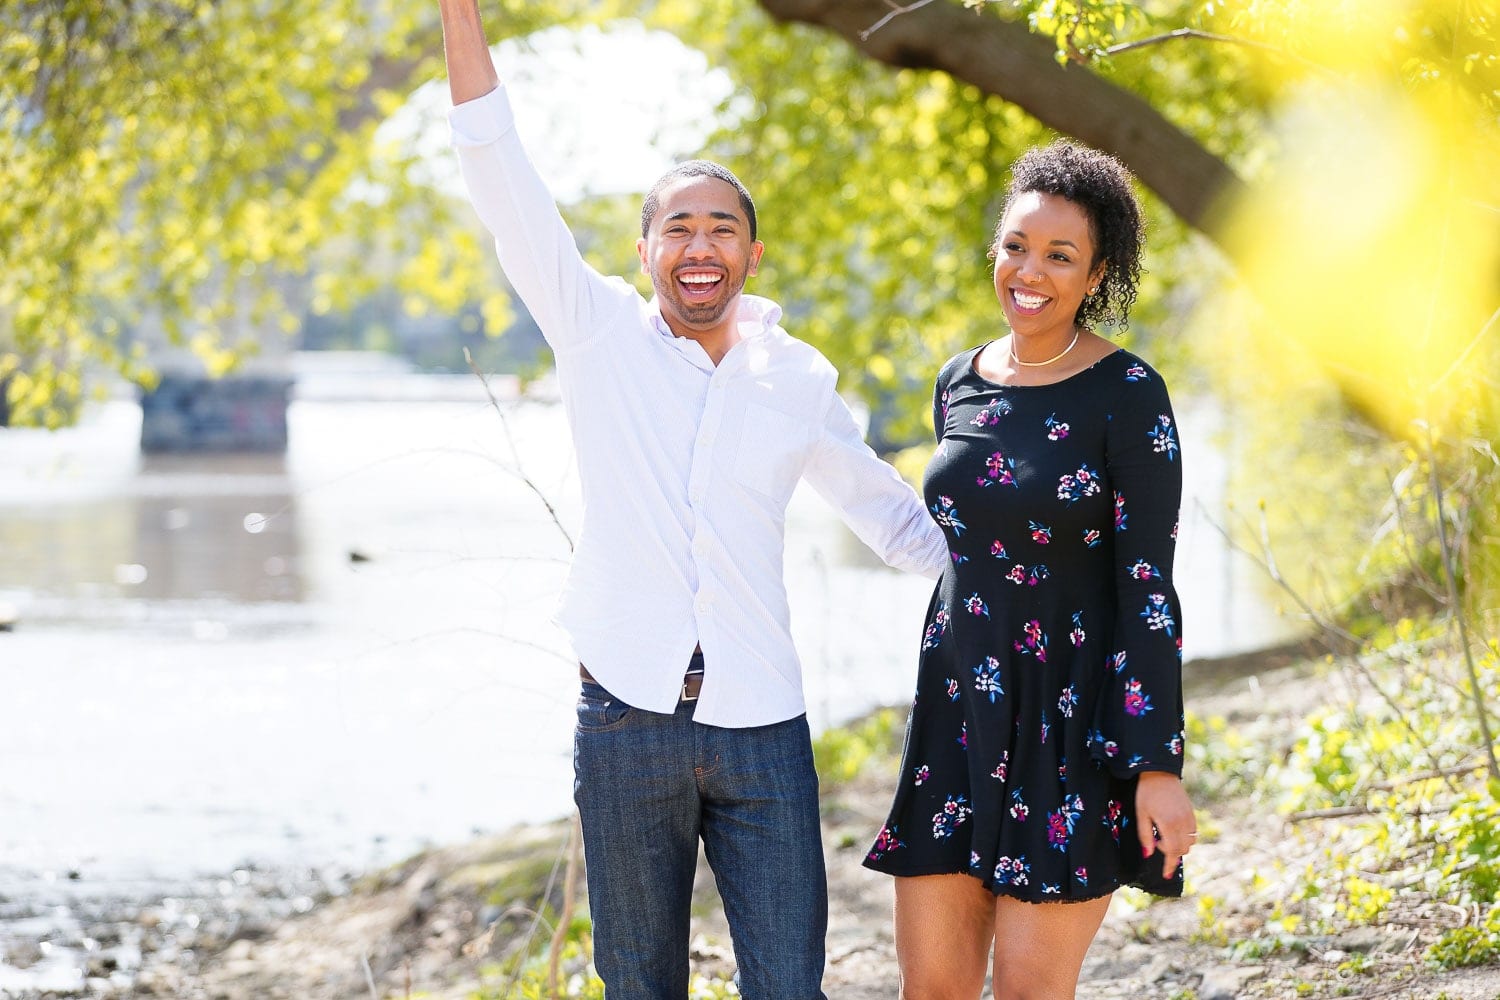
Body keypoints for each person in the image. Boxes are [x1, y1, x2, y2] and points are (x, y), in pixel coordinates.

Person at [436, 3, 949, 997]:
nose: (700, 245)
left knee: (790, 986)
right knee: (637, 984)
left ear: (752, 256)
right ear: (644, 253)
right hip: (627, 718)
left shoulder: (797, 377)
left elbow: (894, 522)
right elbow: (497, 173)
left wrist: (1037, 569)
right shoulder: (597, 334)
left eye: (723, 228)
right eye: (679, 227)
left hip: (765, 728)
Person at [862, 141, 1198, 999]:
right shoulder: (957, 383)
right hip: (957, 710)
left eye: (1060, 255)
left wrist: (1157, 764)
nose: (1030, 271)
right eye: (1016, 245)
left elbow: (1147, 588)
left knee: (1026, 990)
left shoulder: (1129, 392)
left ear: (1097, 274)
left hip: (1070, 719)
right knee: (930, 989)